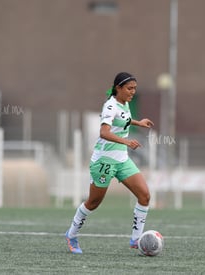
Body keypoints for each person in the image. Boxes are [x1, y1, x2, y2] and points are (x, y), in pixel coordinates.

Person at [65, 72, 154, 254]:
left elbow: (122, 120)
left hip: (122, 160)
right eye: (129, 88)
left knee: (144, 195)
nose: (133, 92)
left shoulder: (125, 103)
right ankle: (71, 235)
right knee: (93, 203)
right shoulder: (110, 106)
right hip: (104, 161)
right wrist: (127, 142)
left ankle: (136, 240)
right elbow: (104, 132)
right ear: (118, 88)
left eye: (135, 89)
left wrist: (138, 123)